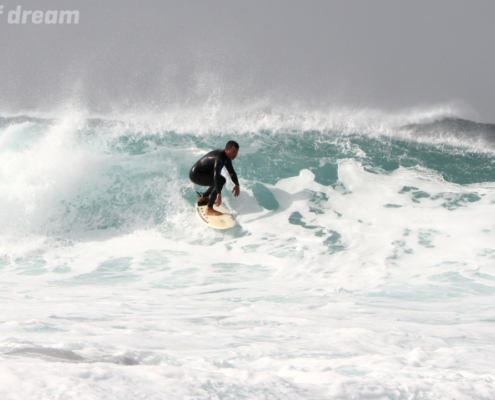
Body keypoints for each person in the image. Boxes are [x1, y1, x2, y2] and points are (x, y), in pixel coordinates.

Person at [189, 141, 240, 216]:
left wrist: (237, 184)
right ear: (227, 150)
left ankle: (203, 198)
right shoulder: (219, 158)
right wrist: (218, 193)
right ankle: (209, 209)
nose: (235, 154)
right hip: (196, 175)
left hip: (204, 173)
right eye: (234, 151)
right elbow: (216, 175)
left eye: (237, 152)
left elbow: (231, 172)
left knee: (222, 180)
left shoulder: (227, 157)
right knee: (219, 181)